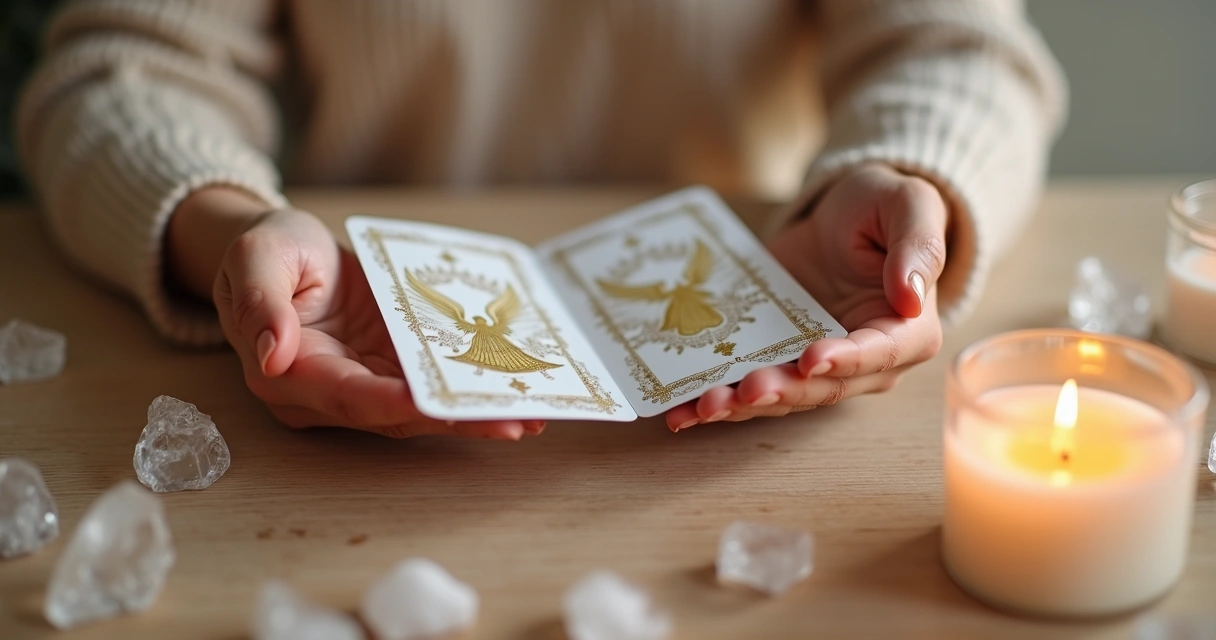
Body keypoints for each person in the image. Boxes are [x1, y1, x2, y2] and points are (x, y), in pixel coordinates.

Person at [15, 1, 1066, 439]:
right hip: (363, 319)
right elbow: (122, 70)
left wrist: (902, 179)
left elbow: (961, 47)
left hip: (770, 310)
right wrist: (225, 228)